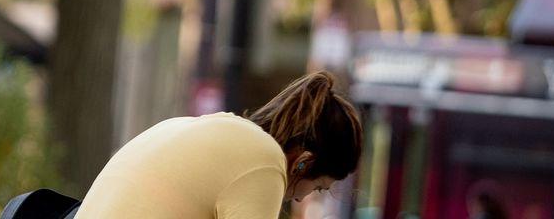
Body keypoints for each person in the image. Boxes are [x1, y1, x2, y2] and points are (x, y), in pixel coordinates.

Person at [75, 71, 364, 218]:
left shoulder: (205, 126)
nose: (303, 198)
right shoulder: (264, 160)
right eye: (318, 187)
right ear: (304, 161)